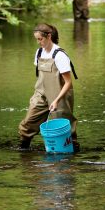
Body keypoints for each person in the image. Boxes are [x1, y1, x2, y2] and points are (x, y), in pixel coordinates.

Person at [18, 23, 79, 152]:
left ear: (49, 36)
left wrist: (56, 100)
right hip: (41, 93)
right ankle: (23, 151)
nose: (38, 42)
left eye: (40, 39)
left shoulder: (60, 55)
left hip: (60, 95)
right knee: (28, 123)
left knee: (63, 130)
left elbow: (68, 83)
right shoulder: (39, 52)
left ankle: (72, 155)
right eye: (36, 39)